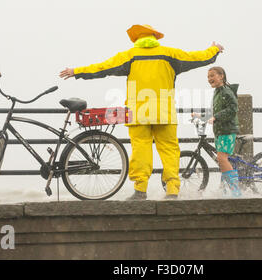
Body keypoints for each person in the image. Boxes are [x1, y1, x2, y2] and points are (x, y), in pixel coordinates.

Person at [59, 24, 224, 200]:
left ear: (136, 39)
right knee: (169, 150)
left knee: (141, 150)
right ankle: (172, 190)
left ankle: (140, 190)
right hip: (164, 112)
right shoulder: (169, 54)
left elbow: (102, 68)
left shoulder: (130, 55)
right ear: (155, 37)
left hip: (138, 112)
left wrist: (76, 71)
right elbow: (197, 57)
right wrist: (214, 50)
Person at [206, 66, 241, 197]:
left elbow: (233, 109)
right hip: (220, 130)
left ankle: (236, 191)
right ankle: (224, 189)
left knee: (222, 158)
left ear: (221, 76)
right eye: (208, 77)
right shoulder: (217, 92)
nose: (209, 79)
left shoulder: (226, 91)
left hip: (227, 130)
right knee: (222, 160)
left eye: (212, 76)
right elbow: (217, 111)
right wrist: (200, 116)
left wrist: (216, 117)